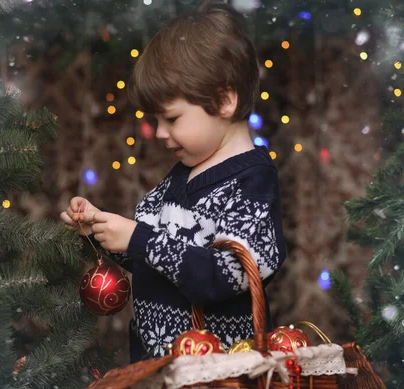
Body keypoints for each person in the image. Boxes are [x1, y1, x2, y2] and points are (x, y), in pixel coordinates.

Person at [60, 1, 286, 363]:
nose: (160, 133)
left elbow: (226, 276)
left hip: (218, 373)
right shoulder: (180, 176)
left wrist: (139, 238)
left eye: (172, 118)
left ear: (225, 100)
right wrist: (101, 227)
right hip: (157, 365)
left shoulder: (251, 183)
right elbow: (154, 257)